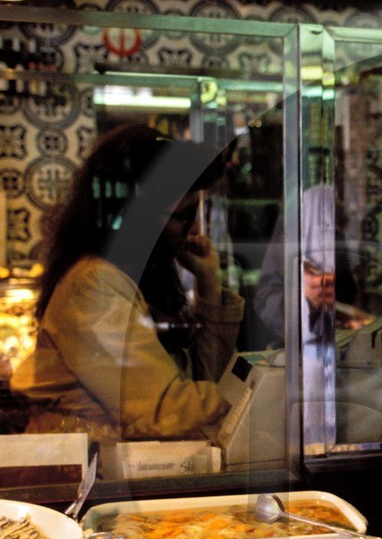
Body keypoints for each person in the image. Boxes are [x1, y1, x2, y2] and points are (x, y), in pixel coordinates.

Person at [14, 124, 245, 441]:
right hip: (86, 473)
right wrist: (259, 400)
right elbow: (167, 411)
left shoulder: (135, 274)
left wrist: (209, 283)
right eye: (183, 216)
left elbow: (199, 382)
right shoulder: (93, 285)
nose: (195, 232)